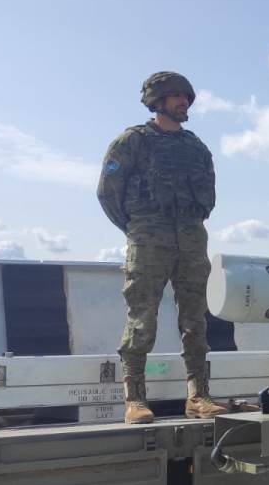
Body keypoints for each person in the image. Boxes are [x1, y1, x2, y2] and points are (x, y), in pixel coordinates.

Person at [97, 72, 228, 424]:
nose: (183, 101)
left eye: (186, 96)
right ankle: (135, 400)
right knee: (142, 319)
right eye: (175, 96)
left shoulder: (196, 147)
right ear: (157, 101)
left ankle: (198, 396)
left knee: (195, 319)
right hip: (148, 236)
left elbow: (209, 196)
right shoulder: (132, 141)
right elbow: (108, 192)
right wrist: (137, 228)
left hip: (191, 237)